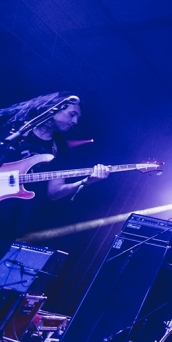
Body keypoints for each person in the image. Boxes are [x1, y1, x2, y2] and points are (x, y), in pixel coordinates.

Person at [0, 92, 110, 258]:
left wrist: (87, 181)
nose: (75, 121)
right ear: (53, 108)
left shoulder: (60, 149)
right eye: (72, 115)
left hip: (8, 221)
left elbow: (55, 192)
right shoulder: (11, 126)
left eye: (77, 118)